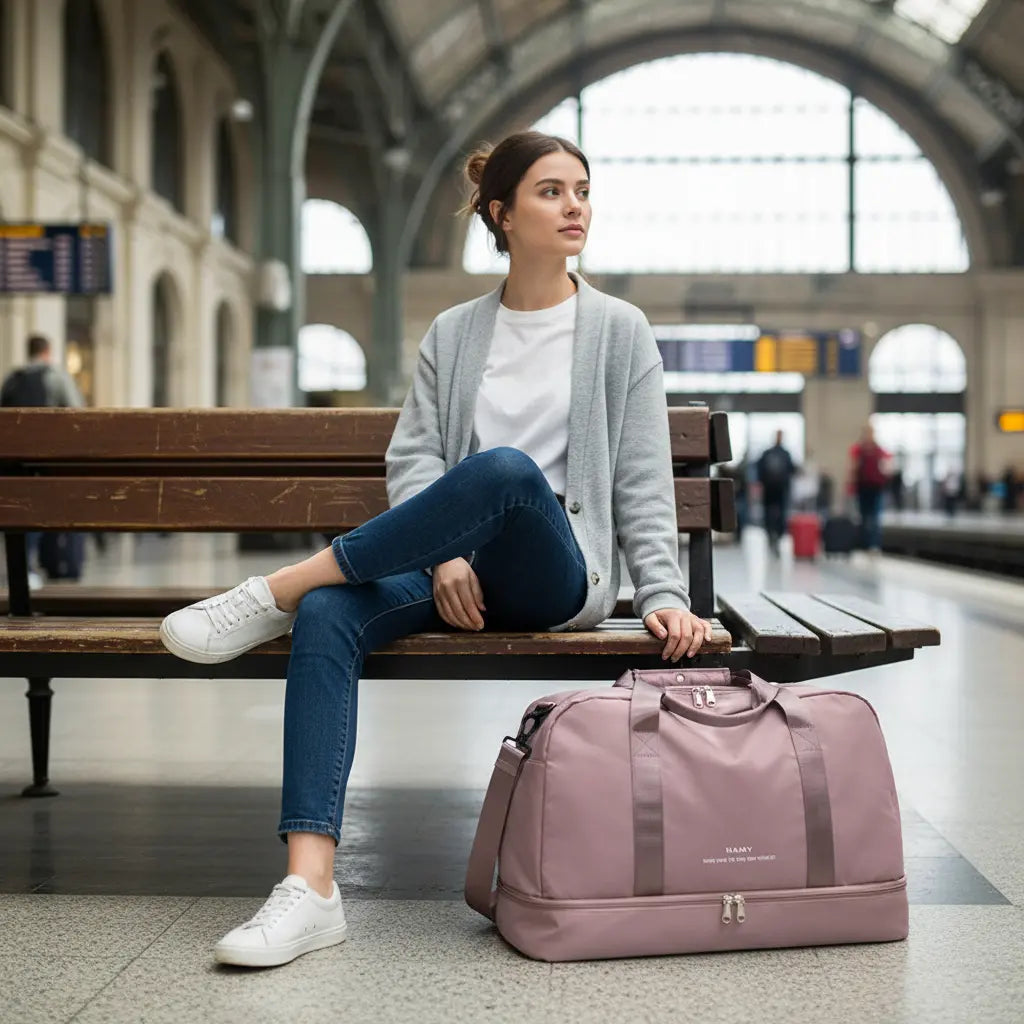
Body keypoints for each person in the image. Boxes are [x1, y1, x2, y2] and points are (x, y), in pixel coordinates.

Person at [158, 130, 715, 969]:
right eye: (552, 192)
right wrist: (447, 554)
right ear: (501, 213)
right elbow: (415, 458)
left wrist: (663, 592)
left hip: (555, 576)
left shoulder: (617, 329)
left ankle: (272, 588)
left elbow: (639, 475)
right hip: (451, 573)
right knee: (331, 612)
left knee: (504, 471)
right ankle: (310, 887)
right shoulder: (456, 332)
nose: (576, 208)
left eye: (583, 190)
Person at [1, 335, 85, 586]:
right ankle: (47, 563)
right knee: (41, 509)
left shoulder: (12, 379)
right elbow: (77, 412)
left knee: (20, 510)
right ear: (47, 351)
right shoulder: (55, 376)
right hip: (43, 460)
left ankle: (24, 566)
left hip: (12, 462)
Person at [849, 423, 890, 551]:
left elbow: (887, 468)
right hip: (863, 488)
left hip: (876, 488)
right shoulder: (858, 450)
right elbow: (853, 469)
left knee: (875, 516)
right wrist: (851, 487)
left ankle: (874, 544)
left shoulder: (879, 450)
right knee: (864, 516)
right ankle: (866, 543)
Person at [756, 430, 796, 554]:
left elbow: (759, 469)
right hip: (775, 489)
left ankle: (775, 535)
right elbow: (792, 470)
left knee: (777, 513)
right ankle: (772, 534)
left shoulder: (771, 453)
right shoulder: (783, 454)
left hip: (776, 488)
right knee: (773, 512)